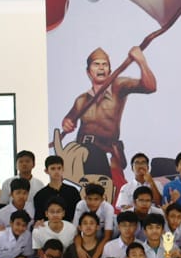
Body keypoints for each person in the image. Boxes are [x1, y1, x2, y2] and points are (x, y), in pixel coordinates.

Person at [61, 45, 156, 187]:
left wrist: (141, 61)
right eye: (96, 64)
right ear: (88, 72)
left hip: (107, 153)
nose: (101, 68)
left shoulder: (119, 86)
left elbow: (150, 87)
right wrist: (66, 123)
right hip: (83, 154)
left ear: (109, 71)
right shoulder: (82, 100)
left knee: (113, 191)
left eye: (104, 64)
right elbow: (69, 120)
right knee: (86, 193)